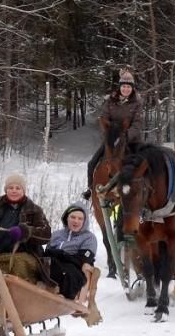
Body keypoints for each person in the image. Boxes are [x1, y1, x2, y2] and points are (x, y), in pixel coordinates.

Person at [84, 69, 144, 200]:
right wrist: (109, 134)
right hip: (112, 139)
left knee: (143, 163)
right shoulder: (110, 101)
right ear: (120, 87)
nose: (126, 89)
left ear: (132, 88)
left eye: (129, 87)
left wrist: (127, 136)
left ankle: (143, 192)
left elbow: (138, 123)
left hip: (131, 140)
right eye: (124, 86)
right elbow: (103, 117)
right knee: (92, 163)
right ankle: (90, 189)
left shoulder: (137, 103)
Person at [0, 173, 51, 284]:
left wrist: (25, 232)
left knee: (18, 267)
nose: (14, 191)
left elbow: (46, 235)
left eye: (18, 188)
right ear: (6, 190)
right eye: (11, 188)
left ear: (23, 190)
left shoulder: (34, 209)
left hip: (25, 255)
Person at [44, 201, 98, 300]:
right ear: (66, 218)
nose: (76, 221)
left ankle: (61, 293)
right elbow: (46, 253)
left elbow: (83, 259)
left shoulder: (89, 238)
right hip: (51, 265)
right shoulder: (56, 235)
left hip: (75, 269)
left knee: (65, 270)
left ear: (84, 221)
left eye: (80, 218)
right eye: (73, 217)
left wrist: (62, 254)